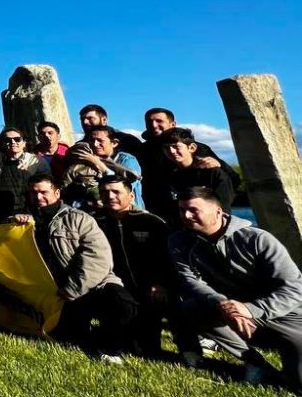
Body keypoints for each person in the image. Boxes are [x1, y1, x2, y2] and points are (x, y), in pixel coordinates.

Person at [171, 187, 302, 388]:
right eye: (181, 210)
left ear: (218, 211)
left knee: (296, 383)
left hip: (285, 313)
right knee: (191, 307)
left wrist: (250, 309)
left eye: (193, 210)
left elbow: (295, 289)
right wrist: (225, 304)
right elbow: (191, 281)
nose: (186, 216)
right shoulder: (179, 241)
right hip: (231, 310)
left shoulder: (258, 239)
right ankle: (255, 363)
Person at [13, 174, 138, 363]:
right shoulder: (20, 221)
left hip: (86, 286)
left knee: (124, 304)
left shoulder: (80, 219)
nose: (38, 198)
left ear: (56, 192)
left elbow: (98, 259)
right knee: (66, 336)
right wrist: (12, 223)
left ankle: (109, 348)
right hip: (49, 292)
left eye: (44, 192)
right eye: (33, 193)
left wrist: (72, 289)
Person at [93, 177, 186, 358]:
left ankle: (190, 351)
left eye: (116, 192)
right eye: (104, 192)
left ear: (132, 195)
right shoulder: (94, 222)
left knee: (147, 347)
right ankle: (112, 346)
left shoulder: (152, 222)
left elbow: (167, 260)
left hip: (150, 286)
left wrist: (160, 283)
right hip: (112, 284)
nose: (110, 196)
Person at [138, 108, 239, 217]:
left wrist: (219, 166)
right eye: (149, 122)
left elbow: (232, 179)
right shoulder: (141, 151)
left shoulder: (198, 148)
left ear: (173, 124)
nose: (153, 125)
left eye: (159, 121)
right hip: (157, 212)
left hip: (196, 213)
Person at [159, 127, 236, 229]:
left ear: (192, 148)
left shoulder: (213, 173)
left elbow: (224, 207)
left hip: (214, 228)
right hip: (183, 232)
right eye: (166, 147)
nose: (171, 151)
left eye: (175, 146)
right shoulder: (170, 177)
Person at [64, 126, 144, 211]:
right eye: (92, 140)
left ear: (114, 143)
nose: (95, 144)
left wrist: (99, 164)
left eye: (100, 140)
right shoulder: (84, 163)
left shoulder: (126, 160)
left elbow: (124, 188)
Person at [78, 104, 143, 156]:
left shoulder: (127, 141)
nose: (85, 122)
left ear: (104, 120)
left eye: (90, 118)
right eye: (82, 119)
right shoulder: (80, 145)